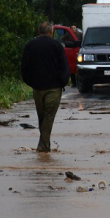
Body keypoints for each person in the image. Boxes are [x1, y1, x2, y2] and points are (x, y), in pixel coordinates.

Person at [21, 22, 71, 152]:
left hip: (37, 88)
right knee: (48, 117)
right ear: (51, 32)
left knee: (42, 117)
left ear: (39, 32)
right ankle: (43, 147)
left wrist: (30, 82)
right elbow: (64, 66)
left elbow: (24, 68)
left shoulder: (30, 46)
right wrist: (62, 82)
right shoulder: (57, 46)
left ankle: (44, 146)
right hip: (54, 88)